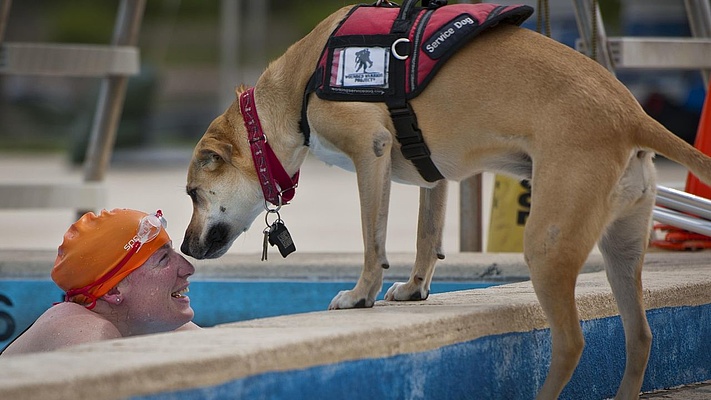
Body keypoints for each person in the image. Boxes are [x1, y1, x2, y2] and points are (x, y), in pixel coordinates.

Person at [1, 208, 199, 356]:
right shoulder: (83, 333)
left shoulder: (161, 325)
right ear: (113, 291)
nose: (188, 269)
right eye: (164, 259)